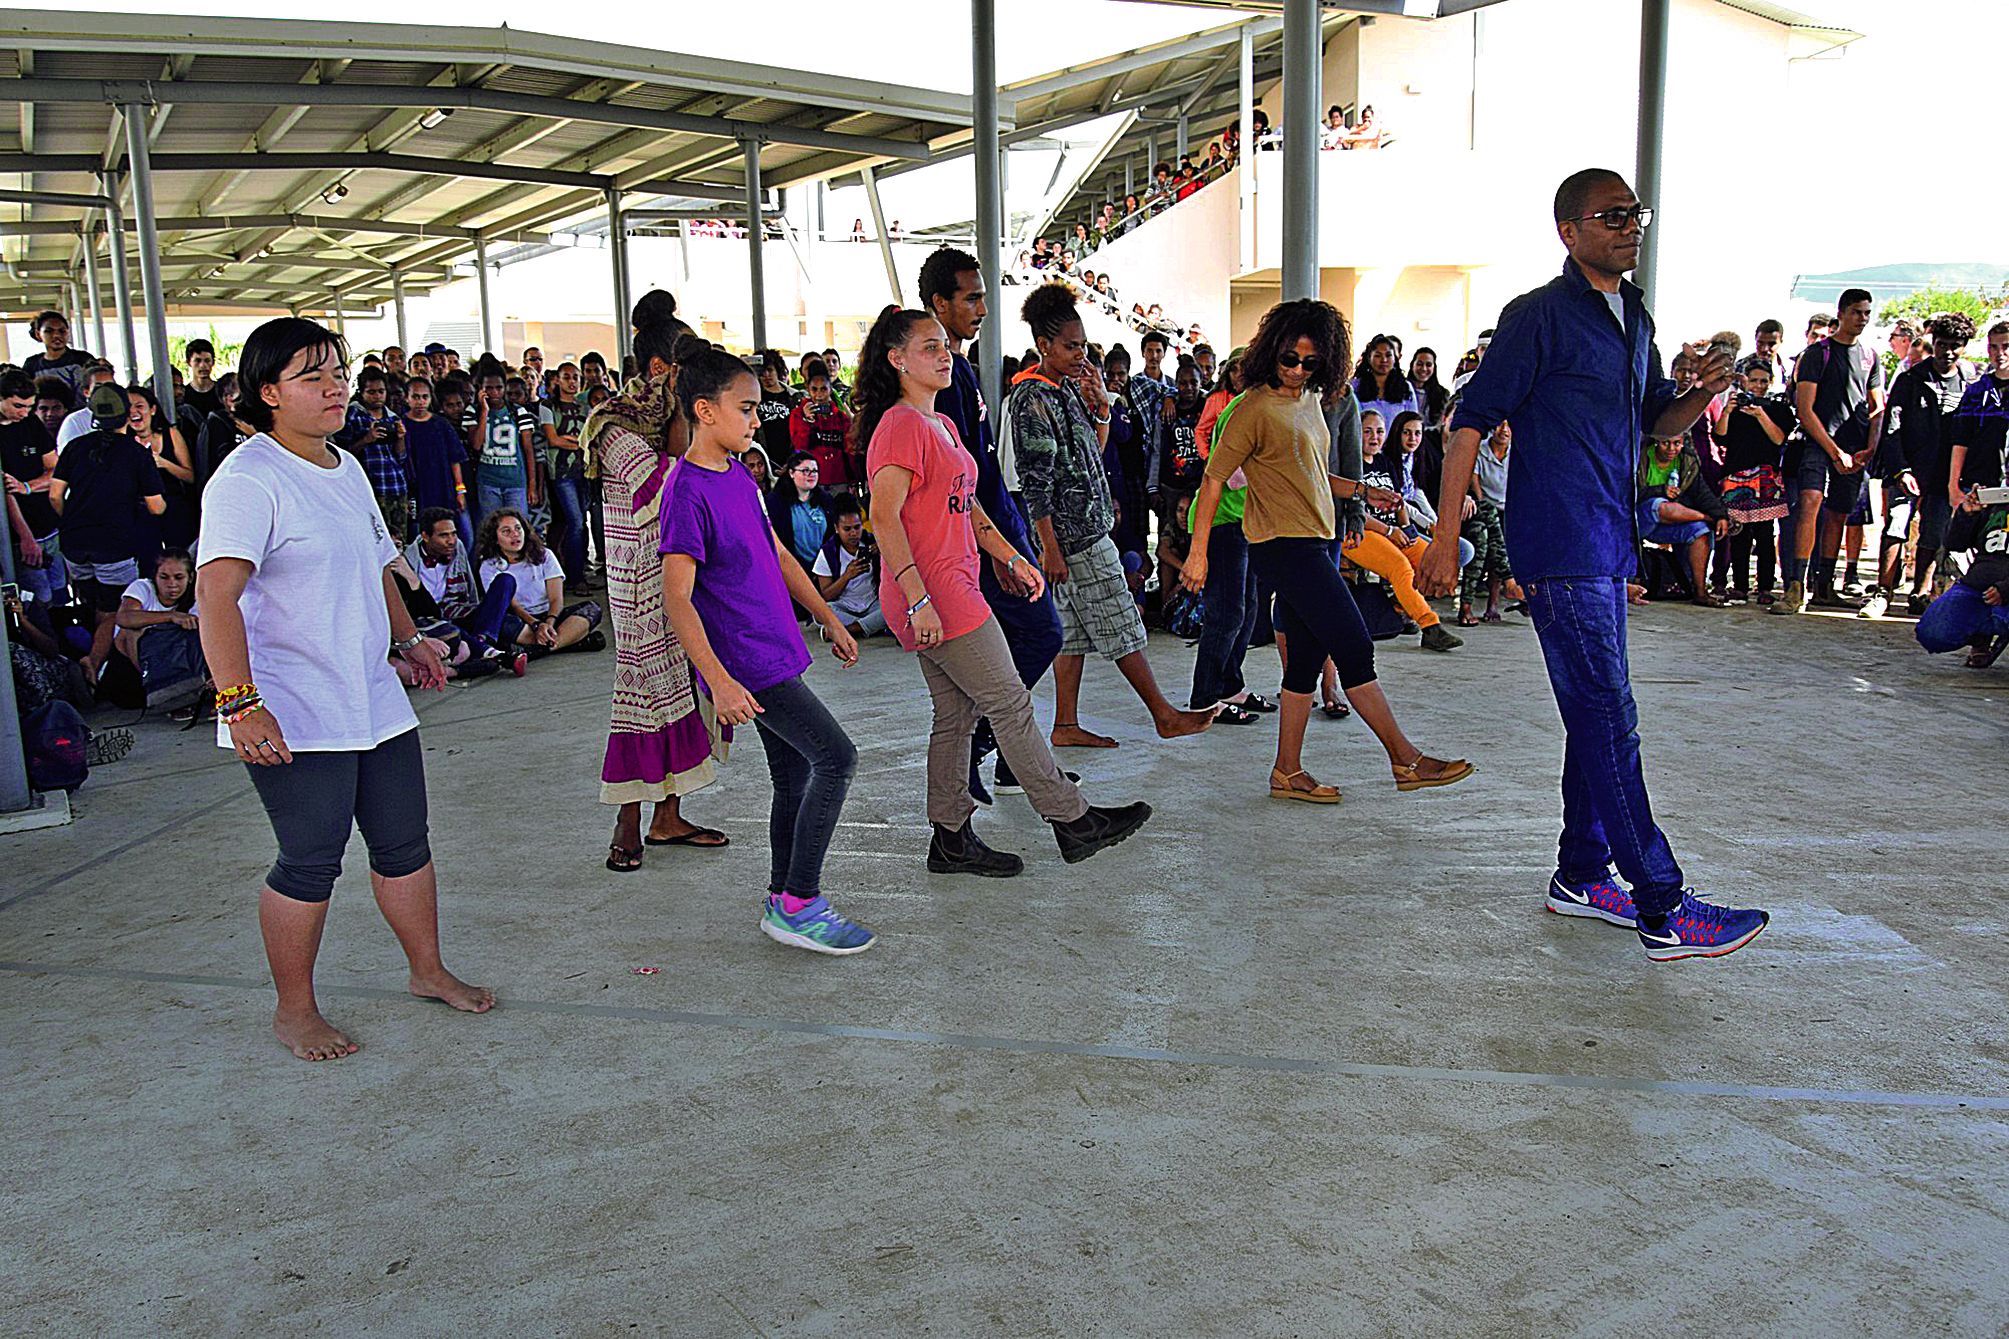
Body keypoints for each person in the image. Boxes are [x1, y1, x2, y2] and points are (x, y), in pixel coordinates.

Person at [1420, 166, 1769, 961]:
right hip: (1560, 540)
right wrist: (1445, 535)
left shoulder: (1632, 314)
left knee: (1595, 710)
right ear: (1568, 232)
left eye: (1634, 214)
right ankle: (1661, 902)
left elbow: (1655, 421)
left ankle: (1579, 874)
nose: (1628, 226)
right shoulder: (1537, 316)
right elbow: (1469, 422)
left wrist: (1701, 394)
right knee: (1610, 714)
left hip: (1608, 540)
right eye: (1610, 215)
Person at [194, 316, 492, 1061]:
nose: (334, 388)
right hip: (294, 709)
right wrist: (239, 700)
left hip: (371, 696)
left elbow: (374, 565)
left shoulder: (344, 465)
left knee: (404, 842)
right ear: (267, 393)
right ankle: (295, 1010)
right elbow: (215, 596)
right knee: (309, 859)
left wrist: (408, 640)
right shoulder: (248, 478)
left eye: (337, 371)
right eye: (311, 376)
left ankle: (427, 970)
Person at [859, 306, 1153, 875]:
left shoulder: (940, 424)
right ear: (897, 360)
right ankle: (1072, 819)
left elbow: (966, 506)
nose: (944, 354)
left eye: (944, 345)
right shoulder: (899, 425)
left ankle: (950, 837)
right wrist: (917, 597)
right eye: (928, 347)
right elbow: (885, 518)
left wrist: (1011, 557)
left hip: (954, 583)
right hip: (936, 594)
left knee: (956, 716)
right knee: (1010, 702)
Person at [1182, 299, 1470, 806]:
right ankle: (1405, 759)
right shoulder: (1250, 408)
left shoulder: (1310, 401)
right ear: (1270, 350)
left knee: (1305, 663)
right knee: (1355, 645)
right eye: (1288, 358)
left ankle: (1287, 771)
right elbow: (1212, 480)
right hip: (1283, 547)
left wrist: (1362, 492)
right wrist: (1199, 553)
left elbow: (1312, 473)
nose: (1296, 370)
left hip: (1315, 537)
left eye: (1310, 362)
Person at [658, 347, 876, 955]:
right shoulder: (685, 491)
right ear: (705, 410)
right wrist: (719, 681)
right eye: (746, 408)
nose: (757, 420)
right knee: (837, 758)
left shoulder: (739, 476)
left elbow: (777, 553)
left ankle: (783, 900)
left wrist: (827, 615)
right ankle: (800, 901)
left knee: (797, 773)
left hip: (776, 646)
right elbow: (677, 597)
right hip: (747, 663)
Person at [1009, 285, 1214, 748]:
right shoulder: (1031, 399)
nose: (1081, 354)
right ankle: (1163, 714)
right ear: (1045, 345)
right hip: (1075, 538)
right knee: (1123, 623)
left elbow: (1091, 456)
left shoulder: (1065, 390)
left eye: (1083, 345)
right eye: (1071, 346)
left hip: (1085, 528)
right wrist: (1050, 546)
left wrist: (1101, 409)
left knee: (1073, 634)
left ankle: (1064, 724)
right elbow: (1035, 481)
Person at [918, 245, 1067, 800]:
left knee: (1021, 642)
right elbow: (957, 479)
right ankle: (991, 746)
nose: (982, 308)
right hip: (978, 535)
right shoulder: (939, 378)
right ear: (940, 303)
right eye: (972, 297)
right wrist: (998, 551)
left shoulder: (959, 367)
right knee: (1041, 632)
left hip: (999, 519)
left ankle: (1004, 756)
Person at [584, 318, 729, 873]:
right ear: (661, 370)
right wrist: (684, 428)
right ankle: (626, 819)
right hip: (635, 580)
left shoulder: (679, 419)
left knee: (688, 688)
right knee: (641, 694)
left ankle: (668, 815)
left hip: (686, 571)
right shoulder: (611, 424)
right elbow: (665, 487)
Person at [1775, 289, 1886, 614]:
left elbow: (1877, 404)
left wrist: (1870, 447)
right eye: (1856, 312)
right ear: (1841, 313)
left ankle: (1824, 585)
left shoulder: (1870, 356)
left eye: (1866, 312)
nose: (1862, 319)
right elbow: (1805, 409)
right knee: (1810, 503)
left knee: (1840, 512)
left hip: (1855, 449)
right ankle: (1795, 585)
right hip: (1819, 444)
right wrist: (1834, 450)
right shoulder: (1817, 354)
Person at [50, 383, 166, 679]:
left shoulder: (75, 447)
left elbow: (55, 494)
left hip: (74, 542)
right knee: (114, 609)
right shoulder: (136, 453)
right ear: (125, 415)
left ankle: (94, 664)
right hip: (115, 542)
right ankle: (95, 661)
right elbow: (157, 507)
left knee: (90, 605)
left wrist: (71, 518)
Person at [1185, 348, 1275, 721]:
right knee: (1226, 614)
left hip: (1246, 523)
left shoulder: (1261, 408)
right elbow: (1229, 475)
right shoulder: (1242, 411)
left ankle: (1230, 686)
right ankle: (1204, 698)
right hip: (1221, 521)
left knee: (1248, 609)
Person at [1347, 409, 1463, 648]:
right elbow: (1354, 512)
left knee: (1428, 560)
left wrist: (1407, 529)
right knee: (1399, 566)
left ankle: (1401, 607)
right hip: (1359, 532)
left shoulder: (1385, 461)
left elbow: (1398, 502)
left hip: (1392, 529)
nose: (1374, 437)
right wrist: (1390, 532)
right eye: (1367, 431)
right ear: (1357, 433)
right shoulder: (1349, 465)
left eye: (1379, 431)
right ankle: (1430, 626)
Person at [1887, 313, 1978, 615]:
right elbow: (1892, 428)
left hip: (1945, 474)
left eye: (1955, 345)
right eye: (1941, 344)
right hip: (1908, 469)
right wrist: (1900, 469)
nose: (1948, 352)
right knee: (1896, 526)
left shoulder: (1971, 384)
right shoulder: (1910, 379)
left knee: (1934, 532)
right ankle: (1883, 591)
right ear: (1932, 343)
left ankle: (1920, 592)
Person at [1712, 360, 1795, 603]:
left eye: (1763, 381)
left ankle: (1766, 588)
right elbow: (1720, 437)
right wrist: (1727, 411)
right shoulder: (1735, 408)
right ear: (1744, 381)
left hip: (1766, 476)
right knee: (1738, 533)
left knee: (1765, 533)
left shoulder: (1779, 409)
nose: (1758, 386)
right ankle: (1739, 585)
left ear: (1770, 382)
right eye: (1754, 380)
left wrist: (1760, 414)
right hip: (1736, 477)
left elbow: (1779, 439)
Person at [475, 507, 603, 655]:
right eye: (506, 531)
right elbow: (513, 606)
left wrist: (548, 623)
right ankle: (569, 643)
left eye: (518, 528)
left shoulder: (544, 555)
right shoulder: (488, 565)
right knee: (502, 625)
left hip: (550, 616)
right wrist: (536, 625)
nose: (515, 534)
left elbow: (556, 598)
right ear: (495, 539)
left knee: (592, 609)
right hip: (521, 620)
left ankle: (536, 651)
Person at [1635, 429, 1730, 605]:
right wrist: (1660, 490)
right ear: (1656, 442)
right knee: (1660, 505)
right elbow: (1627, 493)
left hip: (1672, 521)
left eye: (1677, 443)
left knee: (1700, 531)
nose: (1671, 448)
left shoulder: (1687, 462)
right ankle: (1707, 518)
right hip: (1639, 519)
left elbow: (1702, 492)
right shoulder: (1639, 458)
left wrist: (1720, 515)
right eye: (1666, 443)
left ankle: (1700, 592)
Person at [1, 366, 66, 607]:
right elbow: (6, 493)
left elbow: (55, 469)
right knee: (39, 599)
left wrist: (28, 486)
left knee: (59, 590)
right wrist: (25, 537)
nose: (24, 413)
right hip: (18, 535)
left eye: (29, 407)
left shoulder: (31, 424)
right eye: (18, 406)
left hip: (49, 525)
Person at [112, 547, 208, 707]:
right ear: (155, 577)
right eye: (164, 577)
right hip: (132, 666)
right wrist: (171, 616)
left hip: (174, 662)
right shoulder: (142, 587)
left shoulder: (196, 597)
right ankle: (152, 684)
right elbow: (124, 618)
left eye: (179, 578)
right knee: (134, 628)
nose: (172, 585)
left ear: (190, 578)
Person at [461, 358, 541, 532]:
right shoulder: (472, 411)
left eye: (499, 387)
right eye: (488, 388)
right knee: (491, 530)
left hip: (516, 481)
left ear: (505, 388)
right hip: (488, 481)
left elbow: (528, 450)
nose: (494, 392)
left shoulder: (518, 412)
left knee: (519, 528)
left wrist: (532, 485)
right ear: (480, 389)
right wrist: (484, 412)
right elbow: (476, 444)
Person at [334, 365, 410, 541]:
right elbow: (343, 454)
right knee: (374, 538)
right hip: (370, 486)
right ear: (362, 392)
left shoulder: (392, 417)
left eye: (381, 391)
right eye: (372, 392)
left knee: (399, 539)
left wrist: (400, 438)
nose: (377, 396)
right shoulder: (353, 415)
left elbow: (401, 457)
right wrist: (367, 438)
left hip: (396, 484)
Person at [399, 376, 470, 549]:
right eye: (416, 397)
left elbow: (455, 460)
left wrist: (460, 491)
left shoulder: (441, 424)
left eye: (425, 397)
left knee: (464, 537)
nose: (421, 402)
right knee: (420, 538)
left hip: (444, 489)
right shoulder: (401, 424)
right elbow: (400, 457)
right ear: (406, 398)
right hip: (417, 491)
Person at [539, 361, 592, 591]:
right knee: (576, 522)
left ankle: (579, 572)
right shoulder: (548, 406)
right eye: (567, 377)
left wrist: (574, 442)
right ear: (557, 380)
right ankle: (574, 577)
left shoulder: (585, 407)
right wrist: (578, 443)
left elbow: (590, 438)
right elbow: (553, 439)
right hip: (561, 473)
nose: (572, 382)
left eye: (575, 378)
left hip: (585, 471)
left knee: (581, 523)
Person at [810, 493, 885, 639]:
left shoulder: (872, 543)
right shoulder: (828, 552)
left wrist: (883, 551)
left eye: (857, 527)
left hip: (872, 604)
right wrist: (847, 576)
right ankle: (869, 627)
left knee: (893, 608)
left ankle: (849, 630)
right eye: (847, 529)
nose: (853, 533)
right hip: (844, 607)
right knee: (821, 611)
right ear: (837, 528)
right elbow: (826, 595)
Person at [788, 360, 855, 491]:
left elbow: (850, 450)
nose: (819, 395)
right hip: (811, 480)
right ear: (808, 389)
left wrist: (853, 479)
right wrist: (808, 421)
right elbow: (799, 446)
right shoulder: (798, 415)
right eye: (814, 389)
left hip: (839, 480)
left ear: (830, 389)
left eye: (823, 389)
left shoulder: (841, 417)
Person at [766, 451, 832, 574]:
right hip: (792, 569)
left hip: (823, 568)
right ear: (791, 473)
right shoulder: (776, 502)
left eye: (815, 471)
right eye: (805, 471)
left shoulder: (826, 500)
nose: (811, 475)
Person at [22, 311, 95, 402]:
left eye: (62, 331)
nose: (56, 335)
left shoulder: (83, 359)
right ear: (38, 334)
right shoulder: (32, 364)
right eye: (49, 331)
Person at [754, 350, 798, 458]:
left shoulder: (793, 397)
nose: (766, 375)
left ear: (777, 370)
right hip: (763, 457)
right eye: (762, 372)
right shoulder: (754, 398)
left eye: (770, 370)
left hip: (790, 456)